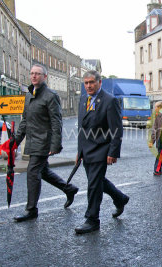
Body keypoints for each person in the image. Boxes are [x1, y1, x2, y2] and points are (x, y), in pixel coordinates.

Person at [11, 64, 79, 222]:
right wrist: (15, 142)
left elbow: (57, 122)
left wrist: (55, 145)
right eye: (32, 73)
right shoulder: (29, 94)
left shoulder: (51, 95)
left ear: (44, 77)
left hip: (44, 142)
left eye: (38, 74)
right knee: (43, 172)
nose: (34, 76)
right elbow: (25, 121)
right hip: (32, 141)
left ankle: (31, 210)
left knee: (33, 172)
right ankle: (69, 189)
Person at [75, 70, 129, 234]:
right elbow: (81, 128)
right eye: (86, 83)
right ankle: (120, 198)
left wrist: (113, 152)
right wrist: (79, 151)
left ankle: (92, 220)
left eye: (92, 82)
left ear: (99, 82)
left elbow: (116, 129)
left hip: (101, 148)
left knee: (93, 184)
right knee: (97, 181)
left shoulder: (109, 101)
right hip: (87, 148)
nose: (89, 86)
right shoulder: (83, 98)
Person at [151, 101, 162, 176]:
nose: (154, 108)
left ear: (160, 108)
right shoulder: (157, 115)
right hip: (159, 139)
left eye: (156, 107)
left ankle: (157, 170)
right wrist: (152, 140)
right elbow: (154, 129)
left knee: (160, 155)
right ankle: (157, 170)